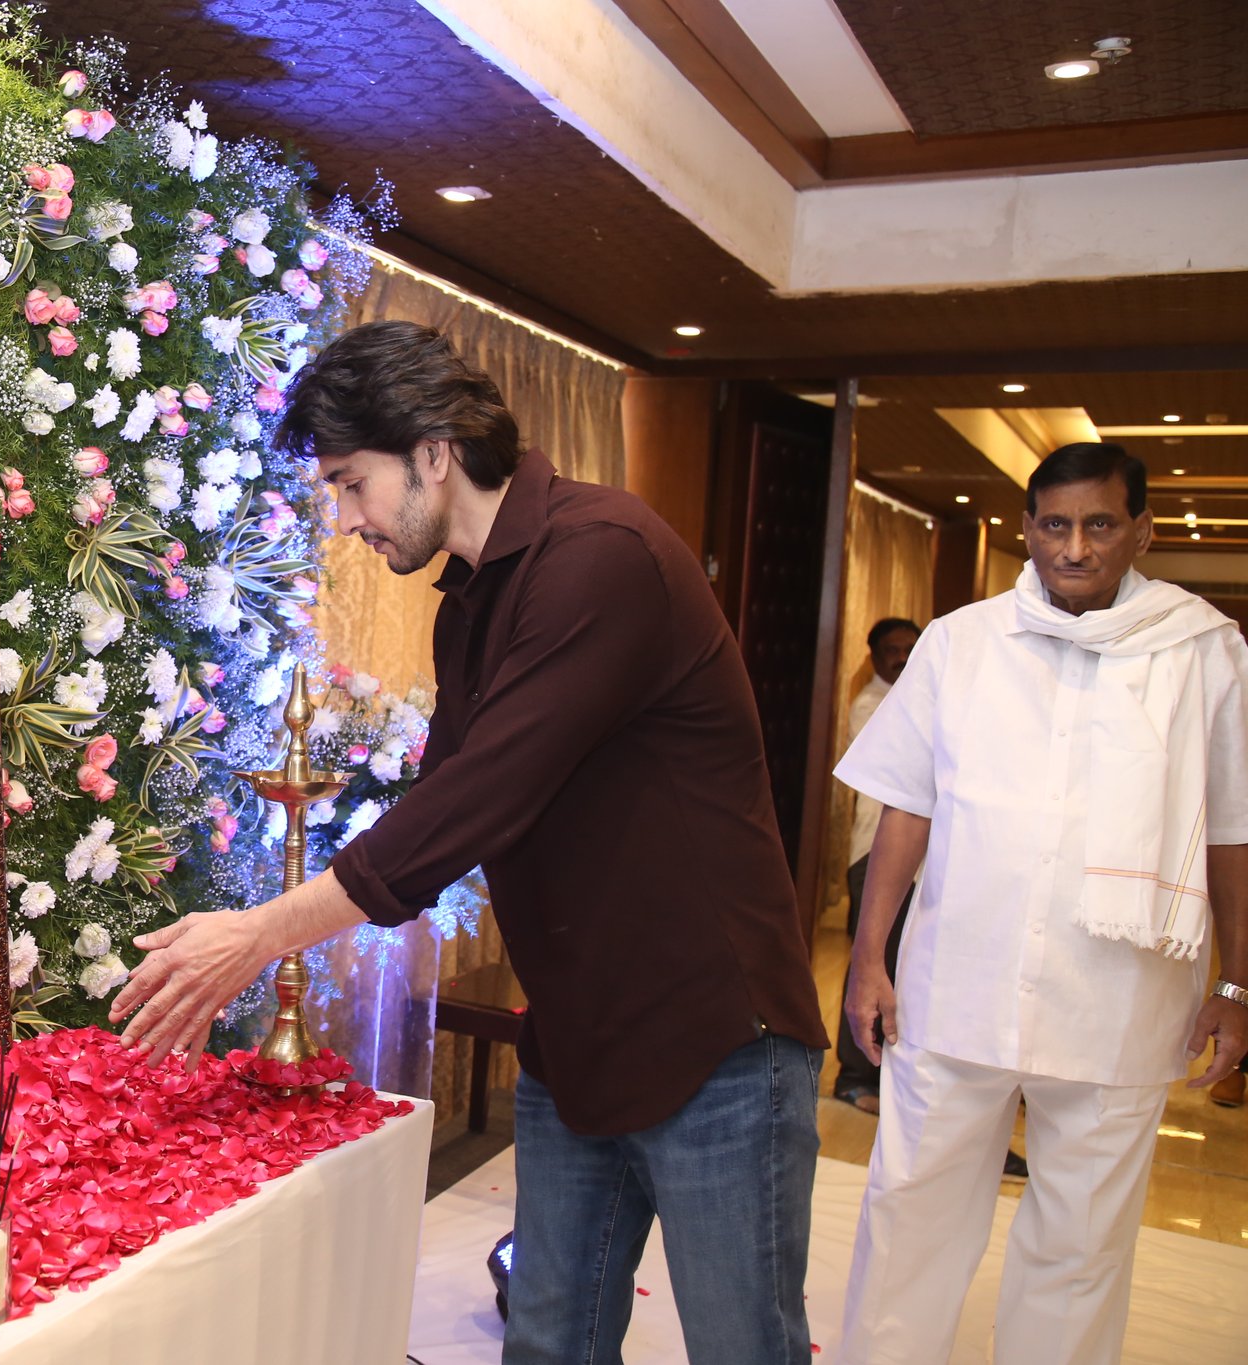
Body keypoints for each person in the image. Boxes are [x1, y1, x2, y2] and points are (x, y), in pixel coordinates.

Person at [109, 321, 829, 1364]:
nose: (346, 519)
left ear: (432, 455)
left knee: (742, 1347)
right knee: (545, 1342)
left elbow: (475, 803)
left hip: (712, 1035)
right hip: (577, 1035)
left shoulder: (601, 558)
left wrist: (262, 933)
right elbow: (447, 798)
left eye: (352, 484)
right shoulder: (468, 603)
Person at [835, 443, 1248, 1364]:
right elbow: (909, 805)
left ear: (1141, 529)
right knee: (909, 1222)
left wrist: (1239, 986)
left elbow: (1233, 833)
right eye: (1055, 525)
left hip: (1121, 1003)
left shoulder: (1204, 650)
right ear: (1026, 529)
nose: (1075, 547)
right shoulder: (962, 642)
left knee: (1081, 1251)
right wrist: (870, 958)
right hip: (958, 989)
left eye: (1099, 524)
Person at [833, 618, 920, 1113]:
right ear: (874, 656)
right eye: (893, 650)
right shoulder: (873, 707)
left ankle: (883, 1072)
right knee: (873, 959)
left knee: (898, 961)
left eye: (912, 648)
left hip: (910, 856)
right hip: (876, 851)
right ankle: (853, 1076)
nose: (903, 658)